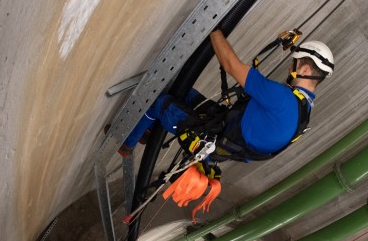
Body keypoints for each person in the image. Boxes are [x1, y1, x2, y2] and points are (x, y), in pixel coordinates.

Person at [115, 29, 334, 162]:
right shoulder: (303, 113)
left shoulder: (283, 100)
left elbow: (231, 65)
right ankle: (146, 130)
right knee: (181, 89)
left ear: (304, 70)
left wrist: (215, 28)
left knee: (158, 100)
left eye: (294, 64)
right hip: (223, 134)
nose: (290, 69)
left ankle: (126, 143)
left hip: (209, 138)